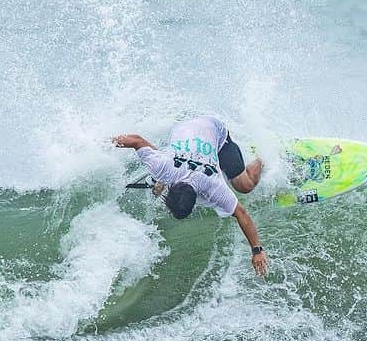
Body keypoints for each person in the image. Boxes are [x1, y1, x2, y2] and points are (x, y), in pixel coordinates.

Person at [113, 116, 268, 277]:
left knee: (244, 186)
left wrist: (257, 251)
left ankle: (262, 158)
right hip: (185, 126)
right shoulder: (163, 168)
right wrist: (104, 143)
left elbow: (242, 213)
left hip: (214, 130)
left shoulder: (211, 185)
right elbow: (136, 140)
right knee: (161, 173)